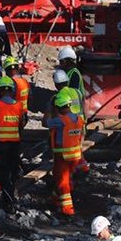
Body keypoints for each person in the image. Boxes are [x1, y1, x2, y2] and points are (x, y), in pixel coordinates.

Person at [44, 87, 87, 217]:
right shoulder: (79, 119)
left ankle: (68, 210)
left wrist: (48, 110)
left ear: (58, 107)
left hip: (62, 156)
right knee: (64, 179)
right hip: (75, 156)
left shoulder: (60, 121)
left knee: (63, 182)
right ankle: (56, 199)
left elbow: (45, 123)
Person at [0, 75, 24, 212]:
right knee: (13, 171)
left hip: (1, 144)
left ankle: (8, 202)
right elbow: (21, 124)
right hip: (15, 145)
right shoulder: (19, 106)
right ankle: (12, 197)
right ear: (12, 90)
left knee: (4, 174)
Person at [57, 46, 85, 113]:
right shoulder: (69, 72)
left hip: (75, 108)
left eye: (62, 61)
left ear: (68, 61)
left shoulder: (74, 74)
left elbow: (73, 94)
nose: (60, 64)